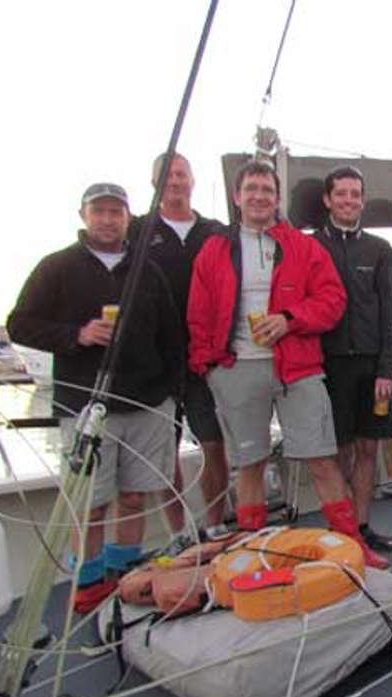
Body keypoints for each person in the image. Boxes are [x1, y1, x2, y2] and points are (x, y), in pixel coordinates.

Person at [187, 160, 388, 569]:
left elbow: (332, 301)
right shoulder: (214, 250)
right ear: (237, 197)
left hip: (298, 367)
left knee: (322, 459)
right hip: (238, 369)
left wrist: (290, 319)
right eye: (251, 189)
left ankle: (352, 545)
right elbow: (198, 313)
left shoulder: (304, 248)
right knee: (250, 463)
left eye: (267, 190)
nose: (259, 197)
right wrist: (211, 368)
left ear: (278, 198)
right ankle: (251, 555)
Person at [8, 182, 184, 611]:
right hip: (87, 404)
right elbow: (20, 324)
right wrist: (77, 334)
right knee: (91, 505)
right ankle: (88, 585)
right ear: (84, 216)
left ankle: (125, 580)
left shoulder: (148, 270)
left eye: (115, 212)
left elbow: (172, 336)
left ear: (128, 218)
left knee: (134, 497)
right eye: (99, 211)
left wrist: (170, 393)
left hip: (146, 404)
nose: (108, 219)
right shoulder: (57, 267)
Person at [131, 152, 229, 537]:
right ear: (154, 182)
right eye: (167, 175)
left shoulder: (216, 232)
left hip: (205, 357)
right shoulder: (137, 231)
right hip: (156, 362)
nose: (174, 181)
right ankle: (179, 533)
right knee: (163, 452)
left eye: (181, 174)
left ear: (192, 180)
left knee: (213, 443)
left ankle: (215, 525)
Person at [313, 165, 392, 553]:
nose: (348, 201)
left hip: (372, 367)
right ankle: (341, 531)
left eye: (355, 194)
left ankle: (362, 528)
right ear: (327, 199)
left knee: (368, 449)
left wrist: (387, 369)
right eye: (341, 194)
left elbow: (390, 312)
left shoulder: (379, 250)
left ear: (363, 200)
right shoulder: (312, 246)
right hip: (328, 366)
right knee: (338, 451)